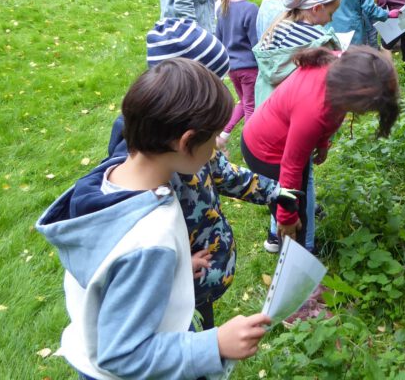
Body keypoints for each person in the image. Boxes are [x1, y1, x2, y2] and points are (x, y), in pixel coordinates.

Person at [36, 58, 272, 380]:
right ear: (187, 142)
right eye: (214, 136)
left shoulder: (107, 183)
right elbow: (123, 354)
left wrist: (170, 269)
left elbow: (112, 266)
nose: (218, 144)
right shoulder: (150, 238)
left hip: (90, 344)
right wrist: (214, 344)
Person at [105, 19, 300, 329]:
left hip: (201, 281)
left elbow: (224, 173)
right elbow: (134, 269)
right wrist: (179, 270)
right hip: (180, 294)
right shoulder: (147, 182)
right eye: (213, 81)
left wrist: (276, 191)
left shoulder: (179, 150)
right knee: (193, 341)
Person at [241, 46, 400, 249]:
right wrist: (288, 217)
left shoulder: (340, 66)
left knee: (298, 211)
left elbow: (335, 111)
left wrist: (322, 142)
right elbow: (291, 168)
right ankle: (296, 270)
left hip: (280, 136)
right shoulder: (314, 111)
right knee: (296, 227)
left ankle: (280, 240)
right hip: (268, 154)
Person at [254, 0, 342, 253]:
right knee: (300, 189)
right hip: (293, 129)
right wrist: (323, 141)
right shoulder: (320, 42)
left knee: (276, 185)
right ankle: (304, 250)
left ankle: (273, 236)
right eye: (330, 12)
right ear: (316, 8)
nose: (331, 19)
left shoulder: (278, 28)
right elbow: (322, 96)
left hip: (267, 123)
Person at [215, 0, 261, 151]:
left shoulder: (222, 8)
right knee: (251, 106)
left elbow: (218, 39)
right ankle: (250, 146)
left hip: (232, 68)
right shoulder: (250, 9)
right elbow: (255, 43)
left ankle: (223, 135)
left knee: (244, 102)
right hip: (250, 69)